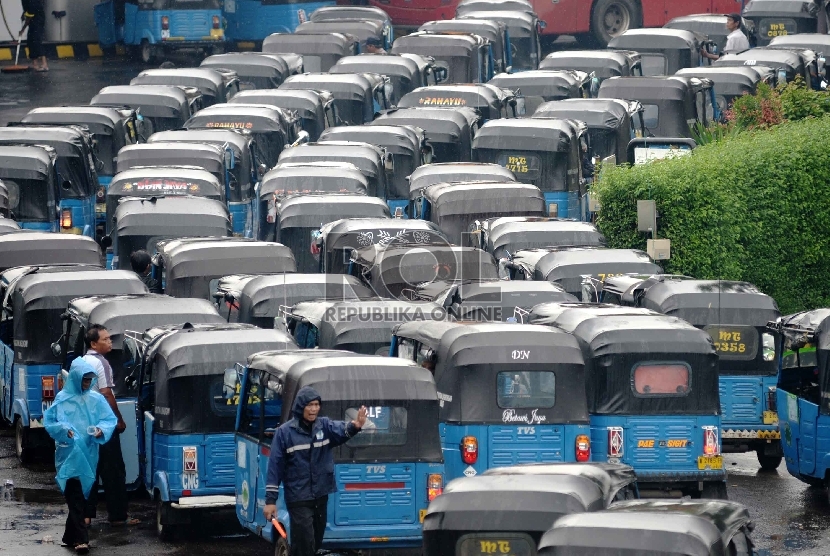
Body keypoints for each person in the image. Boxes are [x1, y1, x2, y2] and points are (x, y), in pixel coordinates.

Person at [263, 387, 368, 556]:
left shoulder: (324, 426)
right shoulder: (284, 433)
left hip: (320, 495)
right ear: (300, 407)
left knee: (315, 542)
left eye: (317, 405)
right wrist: (270, 501)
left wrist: (355, 426)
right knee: (304, 542)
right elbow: (274, 468)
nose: (314, 409)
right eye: (310, 405)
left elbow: (342, 430)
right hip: (299, 497)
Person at [44, 359, 117, 554]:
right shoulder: (62, 398)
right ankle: (81, 539)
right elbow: (50, 422)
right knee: (75, 496)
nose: (87, 384)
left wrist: (101, 430)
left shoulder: (96, 399)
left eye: (89, 380)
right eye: (84, 380)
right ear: (76, 378)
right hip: (68, 454)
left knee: (79, 497)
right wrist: (64, 430)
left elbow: (109, 419)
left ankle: (70, 536)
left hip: (89, 453)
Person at [82, 325, 139, 526]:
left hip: (85, 425)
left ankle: (86, 516)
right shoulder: (101, 363)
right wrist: (119, 419)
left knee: (89, 470)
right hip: (103, 426)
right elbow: (106, 393)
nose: (109, 342)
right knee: (113, 470)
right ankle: (118, 516)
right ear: (93, 344)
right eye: (105, 339)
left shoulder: (79, 363)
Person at [21, 0, 47, 71]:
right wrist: (23, 14)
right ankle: (35, 64)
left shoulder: (32, 1)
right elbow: (27, 10)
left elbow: (30, 14)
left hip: (38, 21)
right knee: (30, 41)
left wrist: (23, 29)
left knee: (37, 41)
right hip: (32, 20)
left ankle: (44, 64)